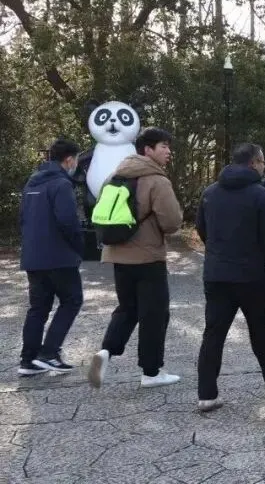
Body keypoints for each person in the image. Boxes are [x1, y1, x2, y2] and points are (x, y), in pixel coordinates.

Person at [194, 143, 265, 412]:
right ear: (254, 163)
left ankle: (206, 394)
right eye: (263, 161)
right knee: (260, 330)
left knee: (213, 334)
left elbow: (201, 229)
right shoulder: (260, 195)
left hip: (216, 274)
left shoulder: (210, 192)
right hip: (251, 276)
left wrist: (218, 252)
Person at [89, 127, 184, 390]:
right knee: (154, 314)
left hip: (117, 255)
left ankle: (106, 351)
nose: (168, 151)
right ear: (147, 150)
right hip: (148, 257)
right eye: (163, 146)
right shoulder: (157, 180)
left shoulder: (114, 175)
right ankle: (151, 372)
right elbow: (172, 222)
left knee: (127, 308)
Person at [18, 139, 84, 376]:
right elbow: (68, 221)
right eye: (76, 160)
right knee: (72, 300)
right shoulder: (61, 184)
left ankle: (28, 360)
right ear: (69, 160)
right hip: (59, 256)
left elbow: (22, 218)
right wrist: (79, 247)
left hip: (33, 256)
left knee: (38, 308)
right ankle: (49, 353)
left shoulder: (32, 182)